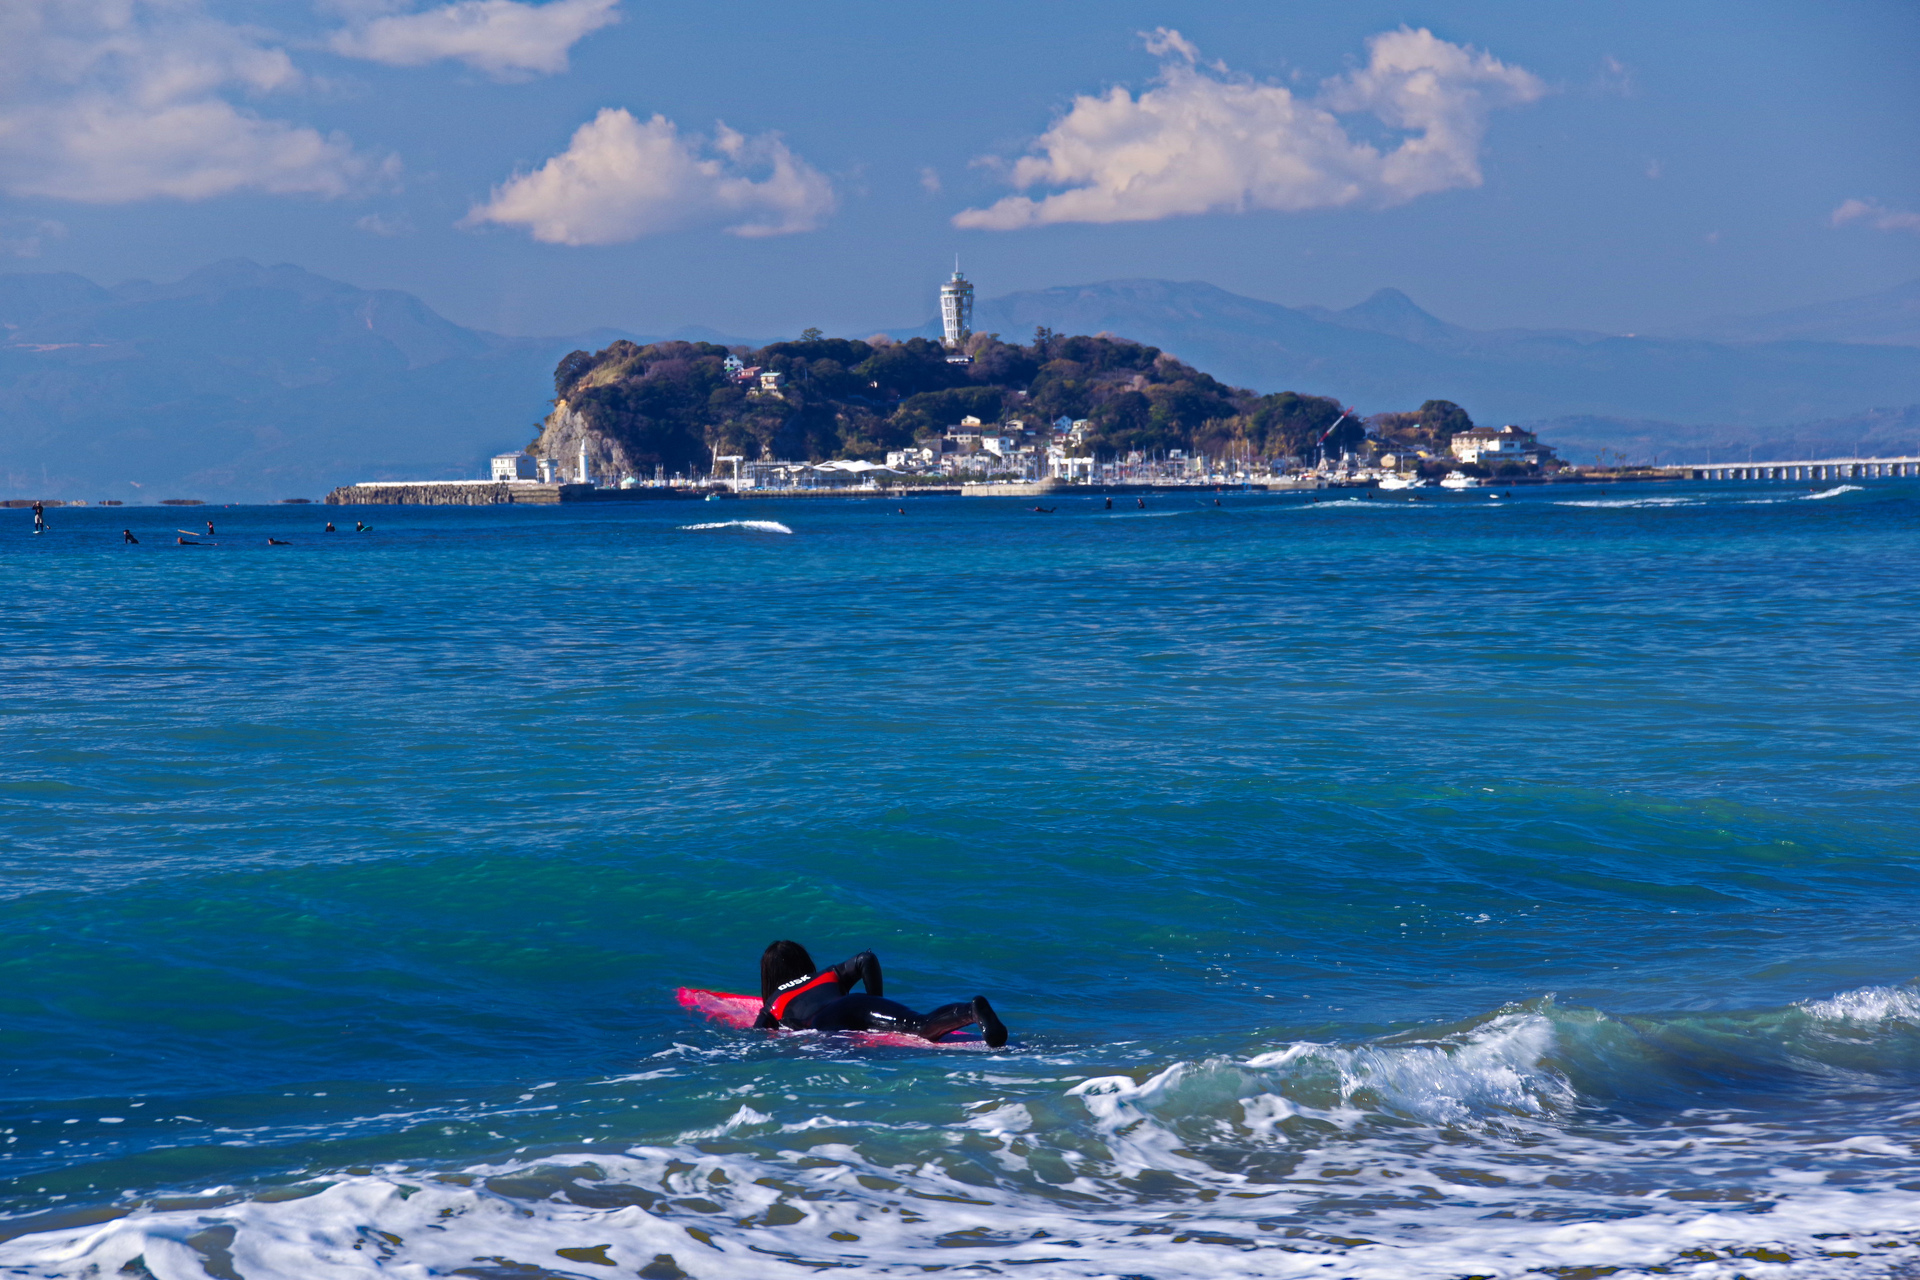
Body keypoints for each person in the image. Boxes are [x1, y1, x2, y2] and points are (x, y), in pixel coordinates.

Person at [753, 940, 1007, 1047]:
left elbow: (759, 1037)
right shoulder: (825, 974)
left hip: (827, 1023)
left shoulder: (774, 1003)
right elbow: (866, 958)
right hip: (857, 1002)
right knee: (919, 1023)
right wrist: (876, 999)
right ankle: (970, 1010)